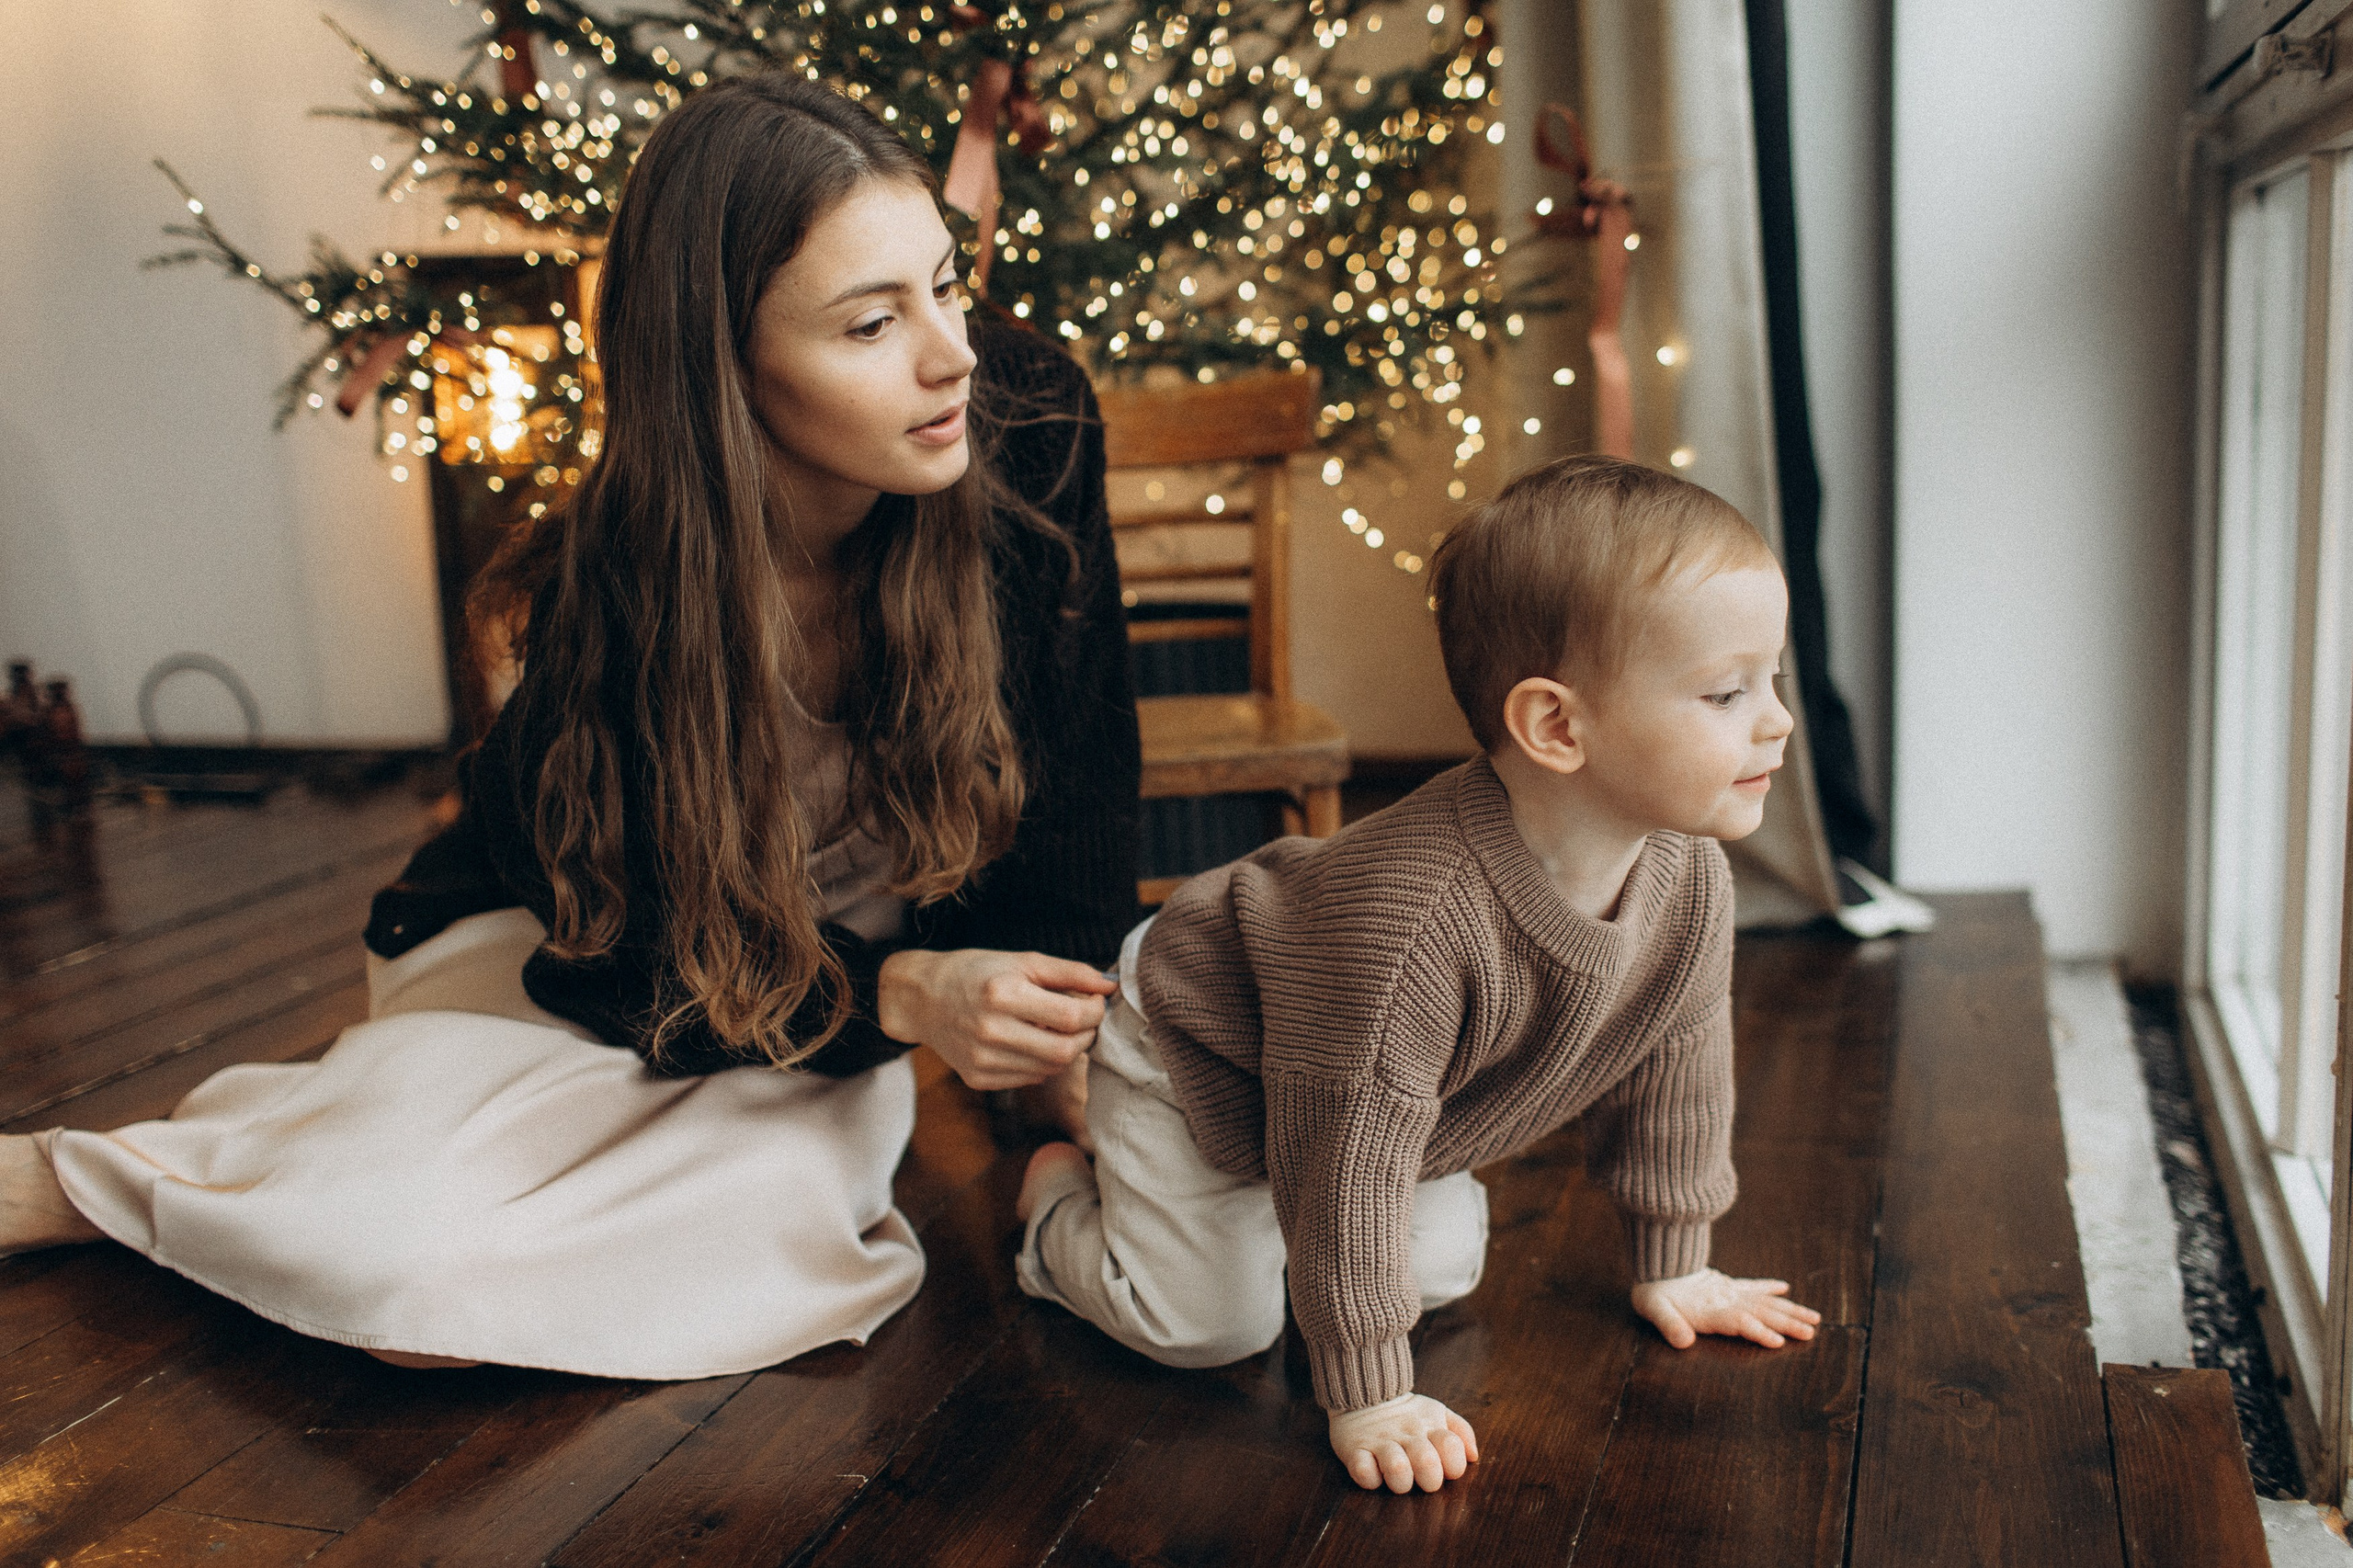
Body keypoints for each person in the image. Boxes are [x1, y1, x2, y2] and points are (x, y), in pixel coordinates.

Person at [0, 74, 1140, 1377]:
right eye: (872, 323)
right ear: (728, 367)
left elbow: (1082, 783)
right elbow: (614, 953)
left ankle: (341, 1170)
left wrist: (1051, 1052)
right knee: (414, 1285)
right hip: (573, 961)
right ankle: (97, 1179)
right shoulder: (620, 581)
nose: (952, 355)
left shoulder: (1025, 424)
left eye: (948, 284)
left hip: (813, 1000)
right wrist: (901, 991)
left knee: (693, 1245)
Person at [1012, 456, 1821, 1494]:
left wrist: (1678, 1260)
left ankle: (1245, 1218)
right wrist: (1369, 1393)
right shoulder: (1409, 930)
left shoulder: (1692, 876)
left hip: (1356, 1088)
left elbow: (1678, 1066)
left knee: (1438, 1272)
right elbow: (1347, 1149)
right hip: (1198, 1045)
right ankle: (1052, 1202)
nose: (1776, 721)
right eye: (1725, 692)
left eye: (1774, 681)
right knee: (1208, 1325)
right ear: (1556, 726)